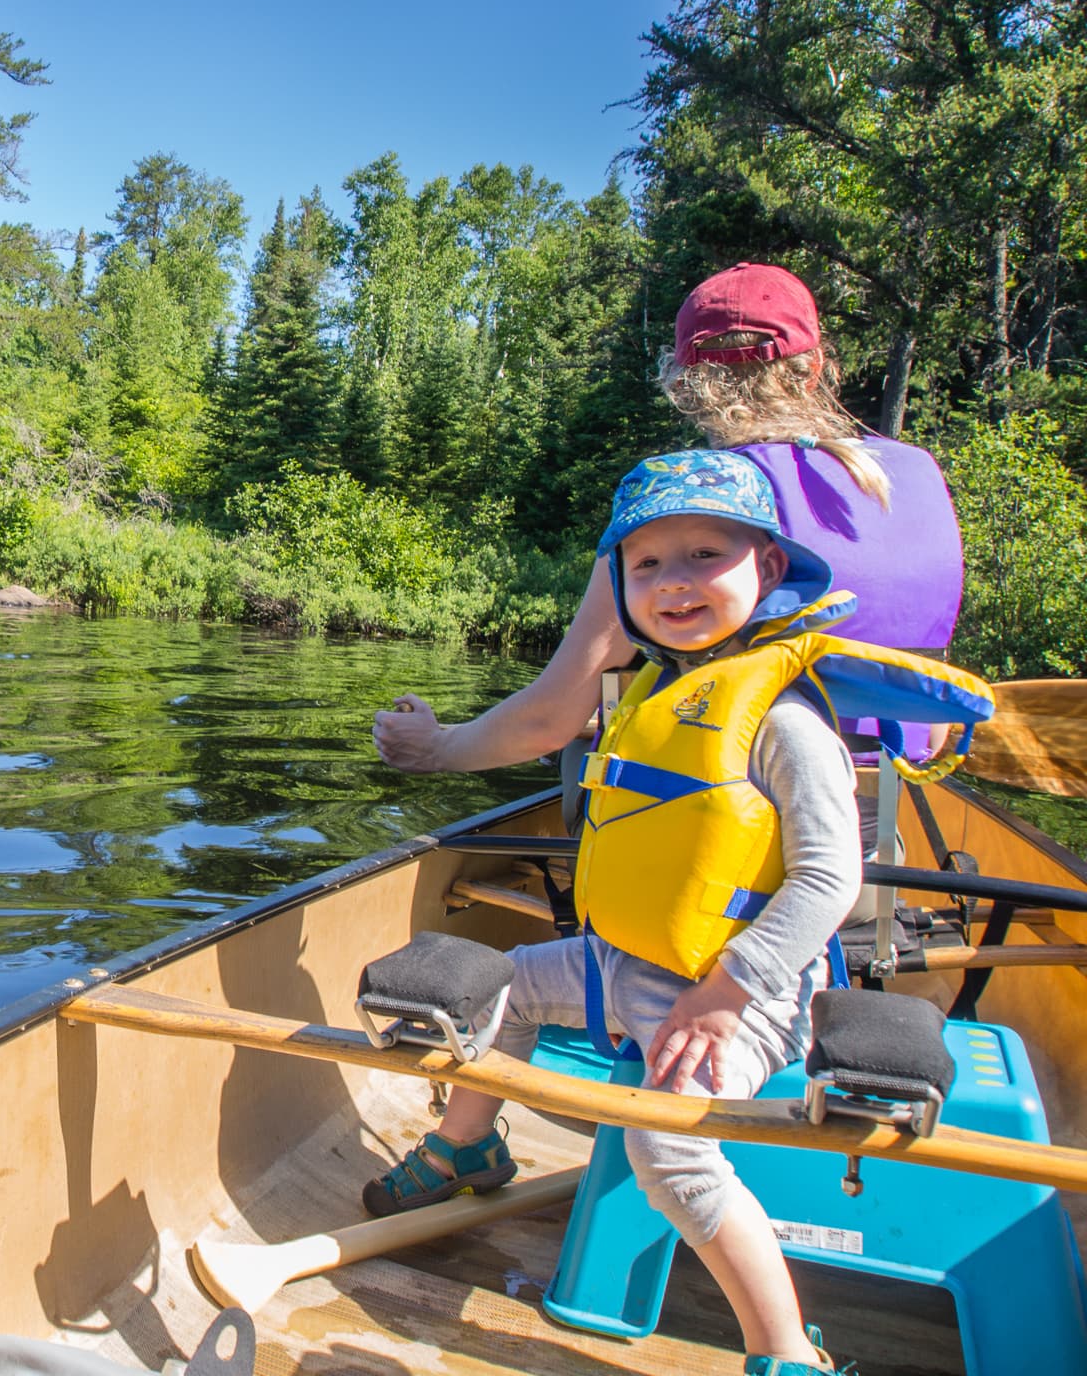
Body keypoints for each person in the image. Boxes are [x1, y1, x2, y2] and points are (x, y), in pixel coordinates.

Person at [365, 450, 899, 1372]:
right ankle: (466, 1150)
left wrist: (731, 989)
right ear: (619, 583)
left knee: (668, 1153)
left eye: (703, 555)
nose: (673, 583)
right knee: (484, 995)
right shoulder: (654, 689)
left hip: (740, 994)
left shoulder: (783, 717)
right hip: (619, 964)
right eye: (647, 565)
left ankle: (785, 1352)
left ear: (766, 569)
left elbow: (828, 881)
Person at [373, 262, 962, 778]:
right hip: (890, 804)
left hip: (744, 814)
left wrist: (436, 747)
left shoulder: (696, 495)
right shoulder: (919, 474)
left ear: (682, 383)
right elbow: (934, 717)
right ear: (814, 369)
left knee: (580, 754)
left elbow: (548, 722)